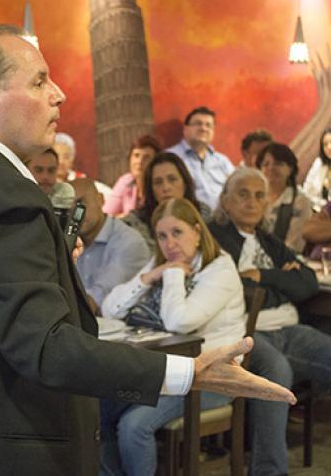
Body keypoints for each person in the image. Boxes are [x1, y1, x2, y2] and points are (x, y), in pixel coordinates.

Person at [0, 24, 293, 475]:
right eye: (39, 81)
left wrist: (50, 269)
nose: (58, 94)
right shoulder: (8, 195)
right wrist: (188, 372)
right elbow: (47, 349)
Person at [209, 168, 331, 476]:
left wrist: (265, 277)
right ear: (225, 201)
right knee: (277, 370)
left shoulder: (268, 241)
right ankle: (268, 471)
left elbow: (307, 284)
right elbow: (239, 292)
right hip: (247, 332)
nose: (252, 202)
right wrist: (282, 283)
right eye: (242, 194)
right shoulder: (214, 238)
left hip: (288, 328)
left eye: (259, 196)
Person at [100, 198, 246, 476]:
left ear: (197, 231)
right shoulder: (164, 262)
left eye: (177, 233)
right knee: (96, 409)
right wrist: (151, 275)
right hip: (166, 372)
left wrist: (173, 276)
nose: (170, 244)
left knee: (134, 426)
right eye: (162, 236)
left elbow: (180, 322)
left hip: (212, 379)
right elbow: (111, 308)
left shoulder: (220, 269)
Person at [71, 178, 151, 307]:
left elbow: (96, 302)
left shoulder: (129, 242)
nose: (76, 213)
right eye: (70, 207)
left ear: (100, 199)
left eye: (81, 203)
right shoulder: (68, 241)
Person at [122, 152, 213, 254]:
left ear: (185, 183)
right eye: (158, 182)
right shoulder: (137, 222)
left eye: (172, 179)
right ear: (151, 189)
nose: (166, 188)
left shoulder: (202, 213)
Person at [166, 106, 235, 209]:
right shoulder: (170, 157)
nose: (203, 128)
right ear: (185, 129)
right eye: (198, 123)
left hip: (224, 219)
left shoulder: (222, 161)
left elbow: (237, 188)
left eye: (208, 125)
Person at [257, 142, 313, 252]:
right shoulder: (255, 199)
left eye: (278, 163)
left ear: (290, 169)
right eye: (266, 164)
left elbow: (293, 246)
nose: (271, 168)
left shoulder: (300, 202)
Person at [103, 135, 161, 217]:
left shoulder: (160, 183)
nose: (139, 162)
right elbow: (105, 216)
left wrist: (122, 217)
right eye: (136, 155)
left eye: (146, 157)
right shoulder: (126, 181)